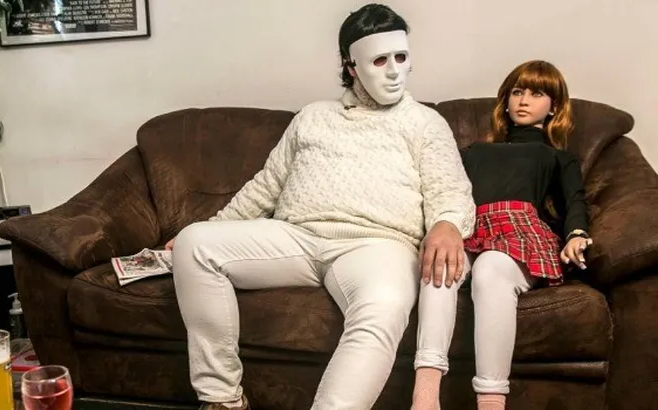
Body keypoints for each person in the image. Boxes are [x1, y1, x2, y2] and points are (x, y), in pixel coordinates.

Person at [167, 4, 475, 410]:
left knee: (384, 304)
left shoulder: (425, 122)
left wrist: (448, 223)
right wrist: (215, 226)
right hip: (295, 237)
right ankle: (223, 399)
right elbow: (266, 186)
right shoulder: (312, 117)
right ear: (351, 66)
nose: (394, 71)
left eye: (401, 57)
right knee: (194, 243)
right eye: (379, 60)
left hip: (377, 246)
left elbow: (451, 192)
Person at [410, 60, 594, 410]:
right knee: (439, 263)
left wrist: (576, 234)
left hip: (519, 231)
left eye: (536, 94)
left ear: (553, 107)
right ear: (506, 101)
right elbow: (442, 190)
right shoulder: (472, 152)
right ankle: (424, 399)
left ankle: (491, 403)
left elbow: (575, 200)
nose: (523, 100)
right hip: (468, 227)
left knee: (491, 267)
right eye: (517, 92)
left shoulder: (556, 157)